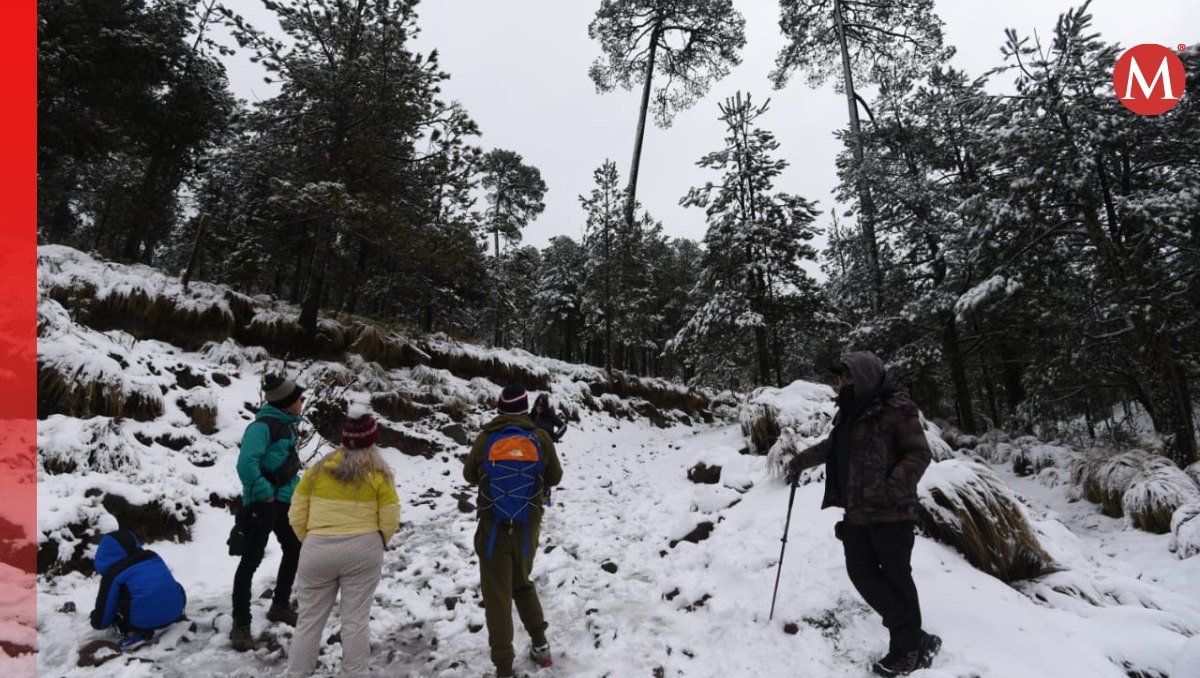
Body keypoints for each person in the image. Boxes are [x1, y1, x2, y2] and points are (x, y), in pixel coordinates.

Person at [785, 352, 940, 677]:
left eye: (848, 377)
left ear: (867, 376)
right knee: (861, 573)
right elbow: (834, 446)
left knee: (897, 577)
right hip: (857, 513)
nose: (842, 382)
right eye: (841, 378)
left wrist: (891, 487)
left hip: (892, 513)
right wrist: (800, 460)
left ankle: (907, 649)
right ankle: (914, 638)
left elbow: (919, 452)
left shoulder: (897, 409)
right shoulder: (848, 414)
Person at [284, 410, 400, 678]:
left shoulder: (317, 471)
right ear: (373, 441)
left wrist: (312, 539)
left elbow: (296, 513)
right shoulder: (380, 473)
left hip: (317, 549)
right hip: (363, 548)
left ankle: (297, 673)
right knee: (355, 622)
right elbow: (391, 517)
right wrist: (379, 540)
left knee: (308, 622)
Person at [464, 383, 563, 678]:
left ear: (499, 409)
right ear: (525, 409)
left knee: (497, 596)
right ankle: (541, 647)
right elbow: (555, 476)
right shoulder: (541, 437)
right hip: (527, 525)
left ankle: (504, 668)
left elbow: (469, 474)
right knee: (522, 583)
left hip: (493, 528)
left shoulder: (486, 438)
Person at [230, 373, 306, 652]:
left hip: (282, 503)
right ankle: (240, 624)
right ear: (286, 402)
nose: (302, 402)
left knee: (294, 547)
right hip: (263, 505)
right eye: (299, 398)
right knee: (250, 562)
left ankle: (280, 605)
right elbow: (245, 465)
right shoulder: (261, 427)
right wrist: (266, 492)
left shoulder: (286, 426)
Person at [89, 529, 186, 650]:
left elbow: (103, 616)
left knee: (117, 604)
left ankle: (133, 632)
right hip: (176, 610)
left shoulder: (114, 573)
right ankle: (172, 618)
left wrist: (95, 619)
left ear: (104, 553)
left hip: (143, 621)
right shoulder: (152, 556)